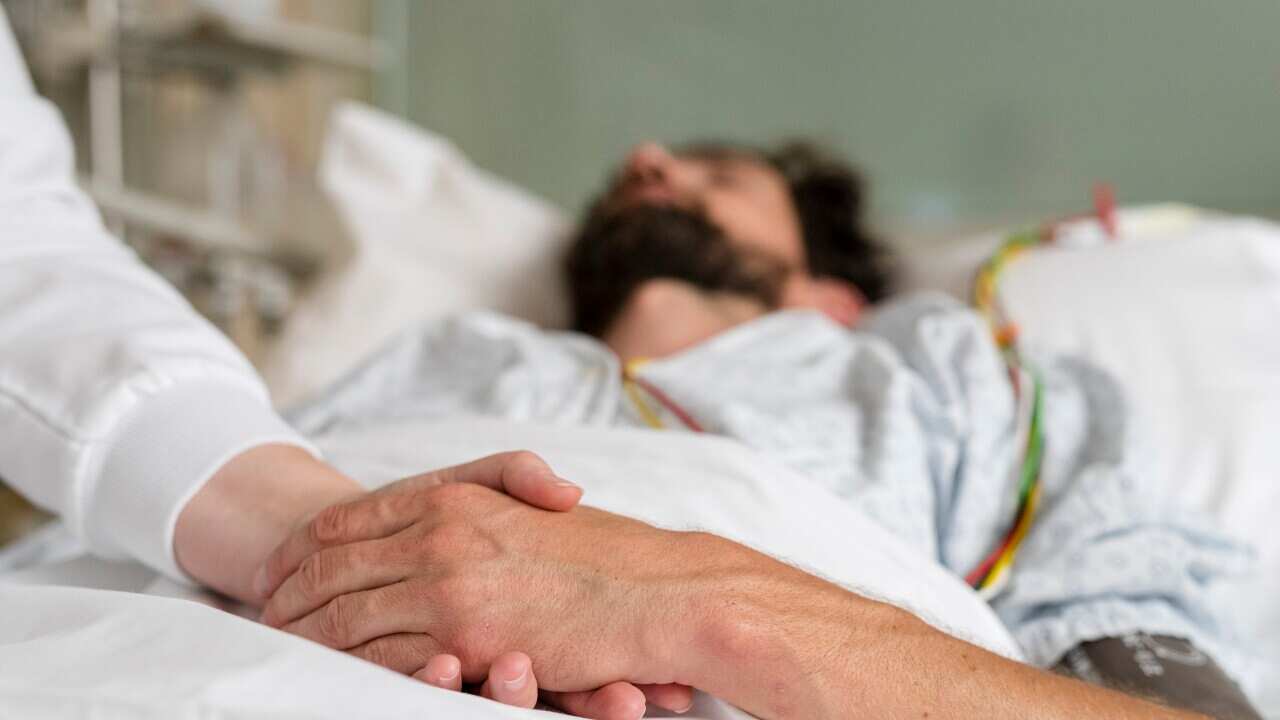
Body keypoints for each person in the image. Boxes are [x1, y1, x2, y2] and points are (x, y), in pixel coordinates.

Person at [0, 5, 1258, 716]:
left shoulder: (963, 388)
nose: (651, 161)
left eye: (716, 178)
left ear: (829, 294)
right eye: (650, 166)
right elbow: (175, 520)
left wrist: (690, 602)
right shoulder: (440, 358)